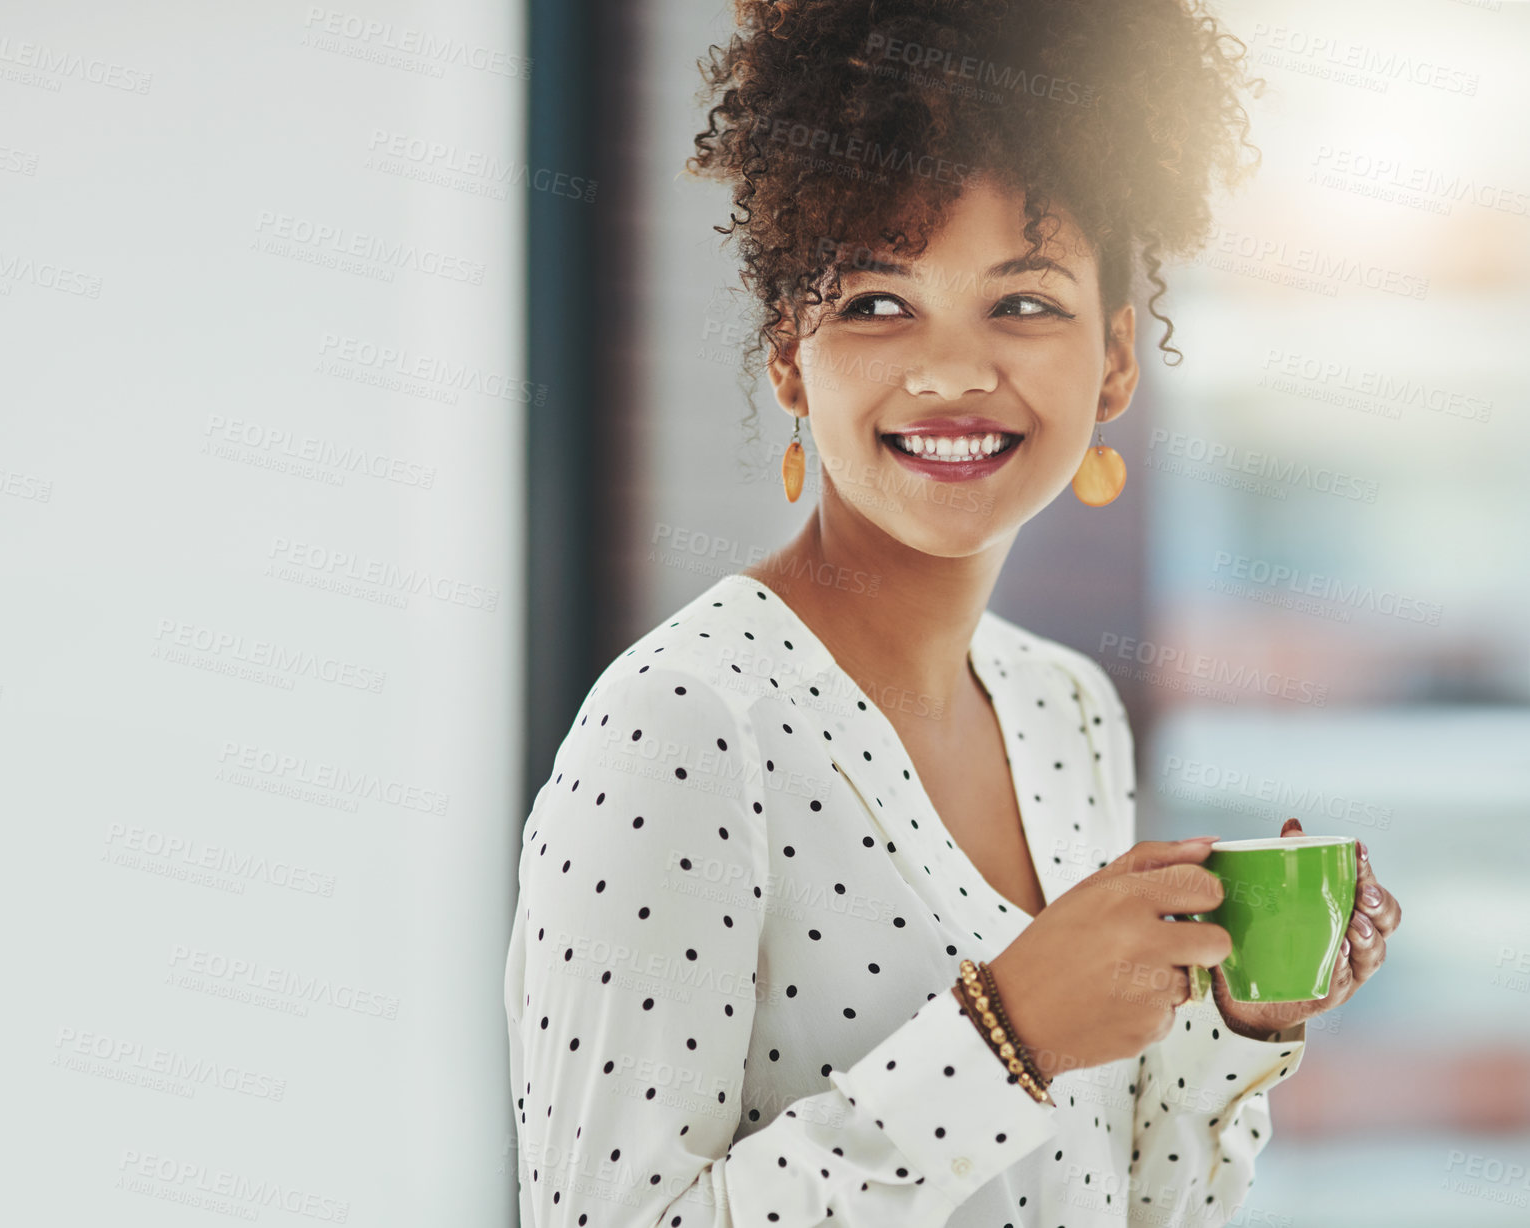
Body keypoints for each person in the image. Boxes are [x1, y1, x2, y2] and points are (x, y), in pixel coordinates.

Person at [502, 2, 1401, 1224]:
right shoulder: (684, 726)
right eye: (876, 302)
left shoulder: (1066, 708)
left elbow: (1124, 1205)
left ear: (1117, 360)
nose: (952, 372)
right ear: (786, 353)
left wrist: (1234, 1022)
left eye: (1022, 304)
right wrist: (1009, 1034)